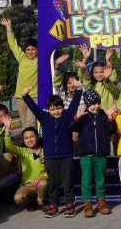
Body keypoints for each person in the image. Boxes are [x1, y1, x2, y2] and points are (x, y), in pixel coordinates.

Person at [24, 83, 82, 218]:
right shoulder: (44, 118)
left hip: (66, 156)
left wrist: (78, 90)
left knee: (67, 182)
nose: (56, 111)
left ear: (63, 108)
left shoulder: (67, 116)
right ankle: (53, 206)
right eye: (52, 109)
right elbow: (34, 108)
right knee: (54, 183)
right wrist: (25, 96)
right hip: (50, 157)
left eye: (58, 108)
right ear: (48, 110)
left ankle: (70, 204)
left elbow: (74, 104)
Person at [71, 90, 117, 218]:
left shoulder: (103, 114)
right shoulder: (83, 116)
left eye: (98, 103)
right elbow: (71, 127)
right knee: (85, 180)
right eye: (93, 103)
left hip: (100, 154)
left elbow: (111, 130)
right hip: (86, 155)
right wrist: (77, 117)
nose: (96, 106)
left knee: (100, 180)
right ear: (87, 103)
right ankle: (87, 204)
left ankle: (101, 202)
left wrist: (110, 118)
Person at [0, 117, 47, 211]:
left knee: (43, 183)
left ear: (37, 137)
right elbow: (9, 146)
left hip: (41, 182)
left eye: (32, 137)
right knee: (18, 199)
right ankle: (32, 201)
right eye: (26, 138)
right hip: (27, 185)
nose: (29, 140)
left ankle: (42, 202)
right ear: (24, 140)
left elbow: (52, 169)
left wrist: (42, 177)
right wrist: (8, 128)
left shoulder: (45, 151)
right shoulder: (22, 152)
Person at [0, 16, 38, 128]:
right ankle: (27, 145)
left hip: (34, 97)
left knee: (31, 123)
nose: (30, 52)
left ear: (37, 50)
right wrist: (8, 27)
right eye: (28, 49)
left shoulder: (39, 61)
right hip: (20, 97)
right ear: (25, 50)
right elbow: (13, 44)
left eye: (33, 49)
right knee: (25, 124)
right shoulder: (22, 58)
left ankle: (35, 144)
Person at [75, 44, 118, 111]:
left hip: (108, 115)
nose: (99, 75)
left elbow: (112, 78)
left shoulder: (108, 83)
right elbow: (83, 77)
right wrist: (85, 59)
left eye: (101, 72)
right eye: (96, 72)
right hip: (94, 115)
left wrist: (108, 61)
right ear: (92, 73)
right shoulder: (91, 85)